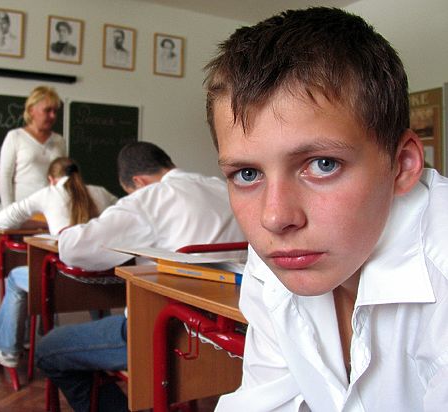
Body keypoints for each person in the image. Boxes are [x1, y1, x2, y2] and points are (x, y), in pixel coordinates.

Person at [204, 7, 448, 411]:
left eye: (322, 164)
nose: (275, 217)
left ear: (402, 165)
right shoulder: (276, 258)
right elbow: (266, 400)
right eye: (248, 174)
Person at [36, 141, 245, 411]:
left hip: (168, 337)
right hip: (233, 336)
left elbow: (75, 249)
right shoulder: (223, 187)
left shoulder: (152, 197)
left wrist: (64, 232)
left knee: (48, 349)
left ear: (138, 182)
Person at [0, 157, 117, 368]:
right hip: (107, 280)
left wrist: (38, 223)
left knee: (15, 277)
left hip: (63, 283)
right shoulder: (101, 193)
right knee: (91, 268)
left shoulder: (49, 194)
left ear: (51, 179)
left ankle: (6, 348)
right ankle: (106, 342)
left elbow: (2, 221)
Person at [0, 86, 66, 207]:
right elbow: (5, 177)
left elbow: (63, 178)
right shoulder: (15, 137)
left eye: (55, 111)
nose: (53, 116)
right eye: (47, 110)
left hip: (52, 208)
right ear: (31, 110)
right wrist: (8, 212)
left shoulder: (59, 141)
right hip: (23, 209)